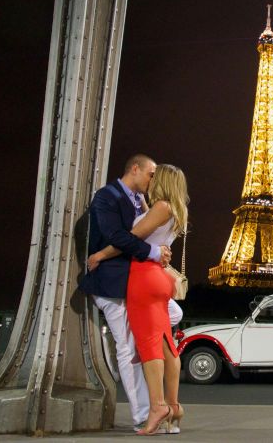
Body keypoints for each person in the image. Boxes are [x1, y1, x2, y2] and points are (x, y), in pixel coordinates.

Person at [88, 164, 188, 435]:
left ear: (163, 181)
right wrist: (142, 201)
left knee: (148, 344)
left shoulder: (161, 207)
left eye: (156, 177)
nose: (151, 180)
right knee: (166, 343)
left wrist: (100, 255)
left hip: (143, 278)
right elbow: (149, 225)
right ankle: (174, 407)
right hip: (159, 279)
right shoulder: (175, 209)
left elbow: (130, 239)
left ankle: (156, 407)